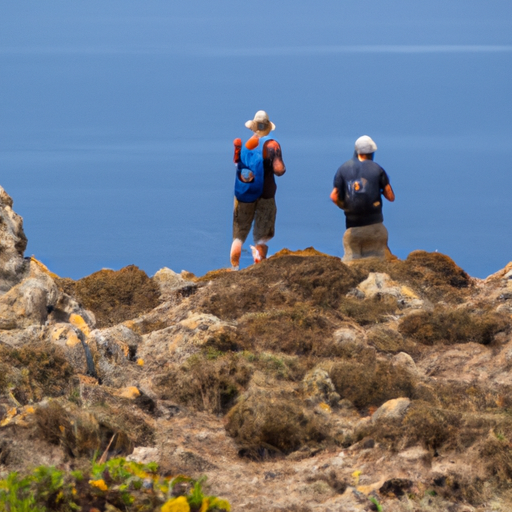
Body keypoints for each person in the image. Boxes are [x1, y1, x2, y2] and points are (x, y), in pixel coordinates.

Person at [230, 110, 286, 270]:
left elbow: (237, 164)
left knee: (238, 235)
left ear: (253, 127)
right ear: (268, 126)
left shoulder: (244, 145)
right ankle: (259, 266)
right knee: (262, 235)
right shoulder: (271, 145)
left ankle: (234, 268)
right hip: (265, 194)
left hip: (244, 193)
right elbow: (279, 170)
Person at [330, 135, 395, 261]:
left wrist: (344, 206)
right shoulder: (378, 169)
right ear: (372, 152)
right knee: (380, 261)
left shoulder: (343, 169)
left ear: (356, 151)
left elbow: (334, 196)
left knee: (351, 262)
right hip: (375, 226)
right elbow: (391, 197)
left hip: (353, 228)